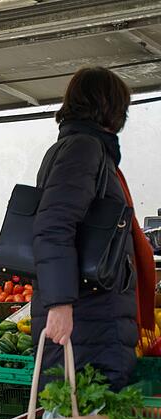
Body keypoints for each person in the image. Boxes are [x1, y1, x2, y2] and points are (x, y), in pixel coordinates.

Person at [32, 67, 155, 390]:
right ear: (109, 106)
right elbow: (53, 226)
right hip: (87, 320)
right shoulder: (83, 149)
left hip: (93, 318)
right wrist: (60, 305)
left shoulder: (82, 149)